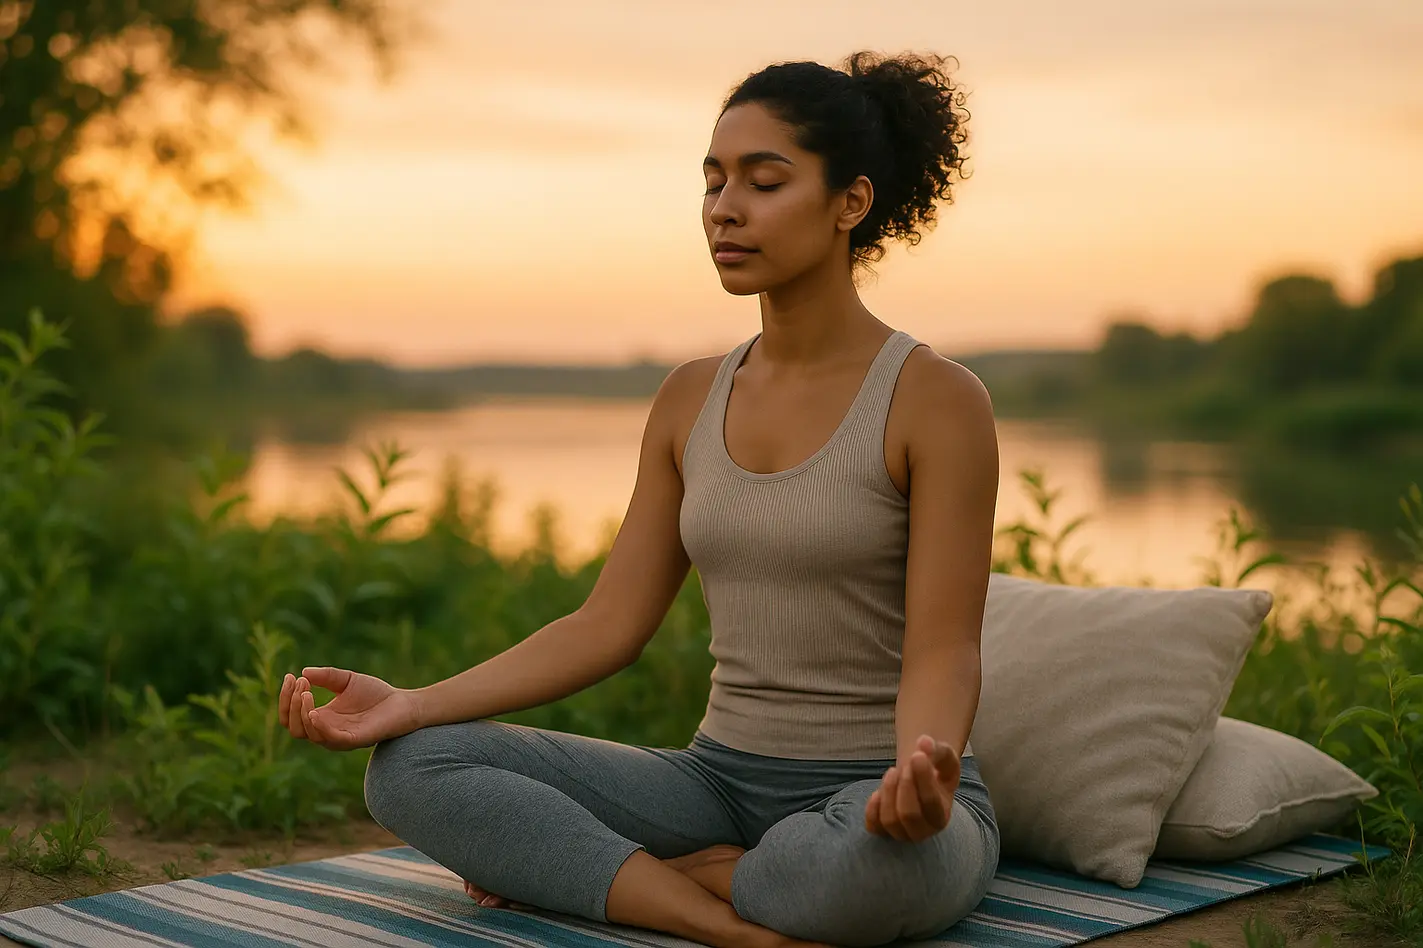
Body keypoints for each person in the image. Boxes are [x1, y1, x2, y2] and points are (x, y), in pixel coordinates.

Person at [277, 49, 1000, 948]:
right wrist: (416, 701)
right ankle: (726, 918)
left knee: (850, 869)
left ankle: (644, 876)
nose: (725, 208)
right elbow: (606, 624)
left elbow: (943, 645)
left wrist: (917, 772)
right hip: (717, 785)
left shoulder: (935, 399)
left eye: (764, 181)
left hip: (880, 800)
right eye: (712, 181)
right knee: (411, 768)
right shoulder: (690, 397)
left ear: (849, 203)